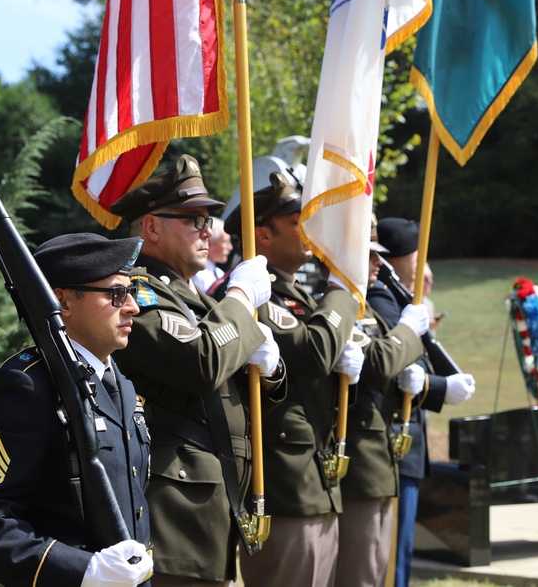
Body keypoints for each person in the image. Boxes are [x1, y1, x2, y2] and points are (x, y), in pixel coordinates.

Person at [108, 154, 284, 587]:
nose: (209, 230)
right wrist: (241, 295)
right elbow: (201, 362)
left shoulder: (201, 304)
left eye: (209, 219)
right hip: (174, 518)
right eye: (194, 219)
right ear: (151, 227)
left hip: (212, 509)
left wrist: (274, 369)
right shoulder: (136, 293)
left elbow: (251, 393)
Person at [0, 233, 154, 587]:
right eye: (117, 294)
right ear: (62, 302)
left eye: (131, 292)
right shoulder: (27, 386)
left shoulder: (120, 383)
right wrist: (83, 571)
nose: (133, 306)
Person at [217, 172, 363, 587]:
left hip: (315, 484)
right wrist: (344, 289)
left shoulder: (301, 296)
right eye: (299, 220)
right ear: (262, 235)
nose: (311, 230)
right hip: (285, 488)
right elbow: (315, 352)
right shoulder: (257, 298)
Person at [364, 217, 476, 587]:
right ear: (404, 256)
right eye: (418, 253)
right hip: (393, 436)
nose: (422, 263)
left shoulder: (397, 293)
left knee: (401, 553)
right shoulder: (383, 296)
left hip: (405, 436)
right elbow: (399, 369)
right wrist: (440, 388)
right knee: (391, 555)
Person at [333, 224, 433, 587]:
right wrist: (408, 331)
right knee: (358, 573)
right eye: (369, 253)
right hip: (356, 458)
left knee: (378, 569)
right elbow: (381, 361)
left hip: (377, 458)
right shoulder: (354, 304)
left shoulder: (367, 306)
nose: (379, 263)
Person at [192, 217, 233, 294]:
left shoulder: (220, 273)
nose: (230, 247)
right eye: (225, 242)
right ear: (209, 243)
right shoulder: (197, 274)